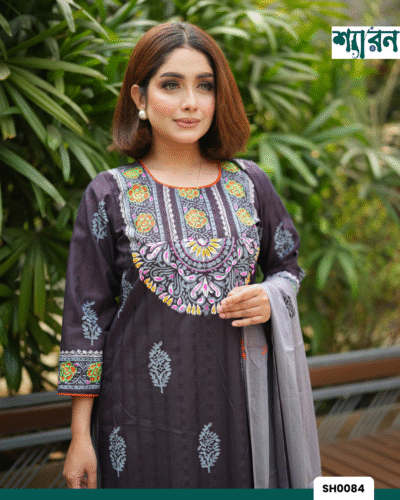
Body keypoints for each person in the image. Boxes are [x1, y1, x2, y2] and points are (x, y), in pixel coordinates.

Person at [58, 21, 320, 489]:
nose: (191, 103)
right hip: (135, 416)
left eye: (205, 86)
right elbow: (86, 318)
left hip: (238, 411)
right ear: (139, 97)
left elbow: (287, 265)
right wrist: (80, 436)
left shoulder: (249, 183)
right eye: (171, 85)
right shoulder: (109, 194)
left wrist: (270, 295)